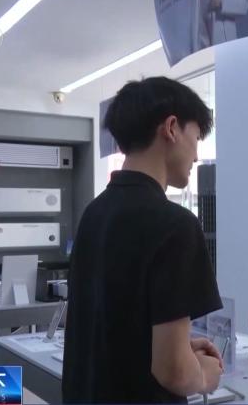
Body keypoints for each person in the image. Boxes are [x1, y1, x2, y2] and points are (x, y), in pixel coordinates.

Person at [62, 76, 224, 403]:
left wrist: (180, 349)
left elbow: (113, 328)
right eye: (196, 138)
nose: (196, 156)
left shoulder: (94, 213)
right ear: (171, 128)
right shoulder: (175, 225)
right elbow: (174, 373)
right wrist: (205, 374)